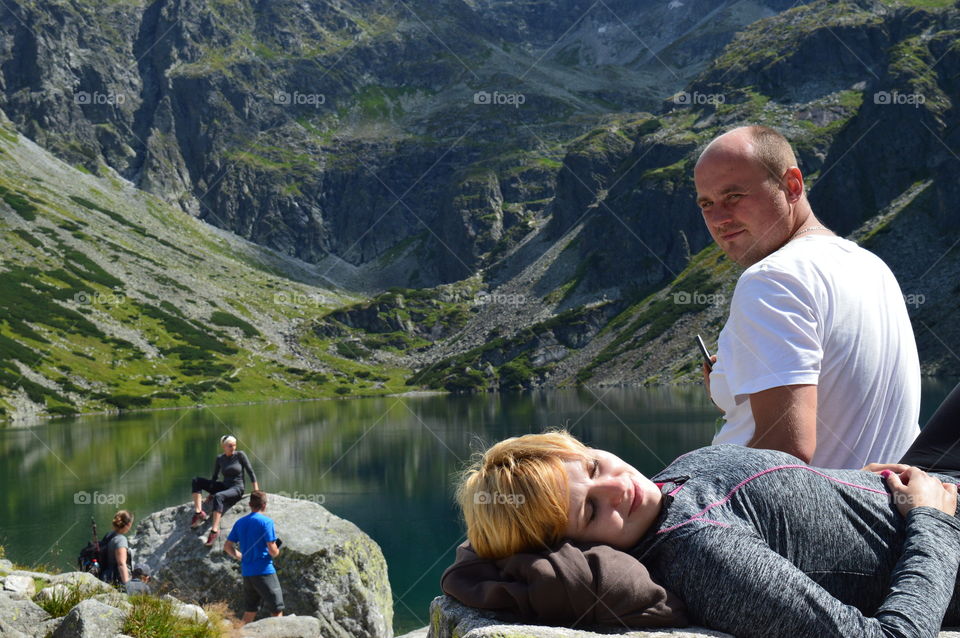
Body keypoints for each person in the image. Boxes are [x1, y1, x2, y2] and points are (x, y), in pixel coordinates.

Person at [450, 413, 960, 637]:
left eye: (592, 467)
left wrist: (844, 484)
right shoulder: (705, 558)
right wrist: (932, 518)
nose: (619, 487)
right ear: (572, 547)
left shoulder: (675, 478)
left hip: (914, 484)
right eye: (589, 511)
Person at [694, 125, 920, 469]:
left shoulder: (771, 278)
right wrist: (732, 390)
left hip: (795, 520)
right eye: (706, 203)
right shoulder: (872, 266)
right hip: (883, 510)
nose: (719, 219)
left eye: (734, 196)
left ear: (792, 186)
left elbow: (785, 454)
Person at [224, 490, 283, 625]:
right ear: (264, 505)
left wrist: (241, 557)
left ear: (250, 504)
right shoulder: (266, 522)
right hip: (264, 571)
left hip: (247, 573)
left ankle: (237, 634)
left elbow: (227, 547)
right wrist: (277, 552)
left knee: (250, 610)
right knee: (277, 609)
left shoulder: (240, 522)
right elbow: (273, 551)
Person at [190, 434, 259, 547]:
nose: (233, 448)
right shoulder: (220, 458)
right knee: (196, 480)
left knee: (219, 496)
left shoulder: (240, 455)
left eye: (234, 445)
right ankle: (199, 514)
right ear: (224, 446)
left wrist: (256, 490)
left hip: (237, 488)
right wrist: (211, 493)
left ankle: (214, 531)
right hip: (225, 486)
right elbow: (214, 477)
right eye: (230, 446)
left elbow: (250, 471)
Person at [102, 510, 134, 586]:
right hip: (115, 578)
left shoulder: (109, 535)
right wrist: (127, 584)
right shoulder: (121, 540)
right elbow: (121, 564)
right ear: (128, 524)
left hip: (106, 575)